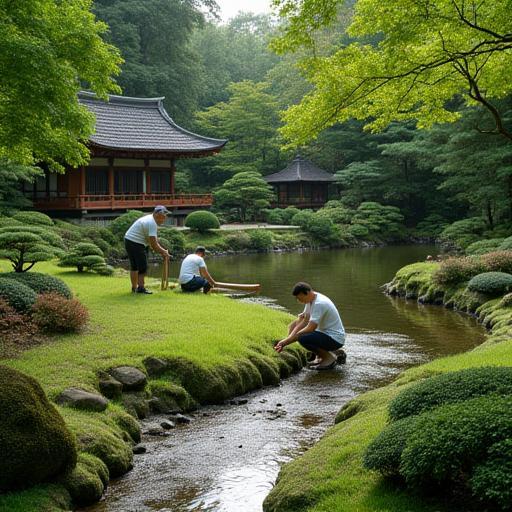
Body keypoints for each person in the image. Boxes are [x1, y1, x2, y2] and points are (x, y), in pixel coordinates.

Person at [274, 282, 345, 370]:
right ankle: (325, 355)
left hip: (335, 339)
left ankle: (329, 358)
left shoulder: (319, 304)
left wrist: (293, 337)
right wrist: (285, 341)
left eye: (299, 298)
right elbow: (304, 321)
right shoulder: (311, 300)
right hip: (326, 334)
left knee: (303, 338)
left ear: (307, 293)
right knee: (294, 326)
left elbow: (310, 328)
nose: (298, 300)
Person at [124, 206, 171, 294]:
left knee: (134, 266)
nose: (164, 219)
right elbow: (153, 244)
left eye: (165, 216)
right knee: (143, 267)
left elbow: (153, 240)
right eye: (163, 216)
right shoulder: (152, 223)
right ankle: (141, 288)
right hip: (136, 242)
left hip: (129, 239)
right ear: (157, 214)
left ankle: (134, 288)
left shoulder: (150, 219)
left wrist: (162, 251)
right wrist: (163, 252)